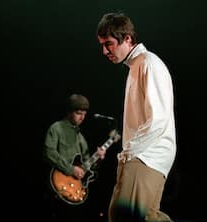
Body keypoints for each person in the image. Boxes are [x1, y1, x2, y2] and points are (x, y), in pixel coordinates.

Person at [96, 12, 177, 222]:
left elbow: (158, 118)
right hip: (144, 154)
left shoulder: (148, 63)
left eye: (109, 44)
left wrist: (129, 153)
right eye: (102, 45)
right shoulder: (136, 66)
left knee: (122, 215)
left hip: (146, 154)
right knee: (147, 217)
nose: (104, 51)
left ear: (128, 39)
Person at [42, 93, 107, 221]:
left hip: (73, 187)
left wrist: (98, 158)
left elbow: (86, 167)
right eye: (78, 113)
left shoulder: (81, 138)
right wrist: (71, 169)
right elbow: (49, 152)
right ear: (69, 112)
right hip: (55, 184)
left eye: (84, 114)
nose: (82, 117)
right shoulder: (56, 128)